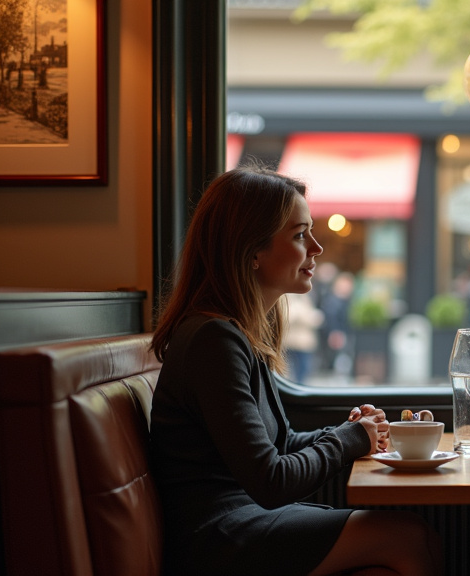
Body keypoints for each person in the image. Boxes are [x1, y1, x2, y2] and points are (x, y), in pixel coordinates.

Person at [149, 166, 442, 576]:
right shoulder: (213, 340)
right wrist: (349, 440)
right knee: (411, 535)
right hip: (218, 539)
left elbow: (280, 442)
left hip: (241, 520)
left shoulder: (235, 332)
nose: (317, 248)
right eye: (300, 234)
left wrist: (352, 431)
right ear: (252, 250)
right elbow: (270, 481)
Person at [282, 291, 324, 384]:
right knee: (290, 369)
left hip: (305, 342)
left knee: (304, 369)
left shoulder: (306, 297)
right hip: (291, 341)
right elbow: (287, 317)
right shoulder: (287, 297)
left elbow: (313, 317)